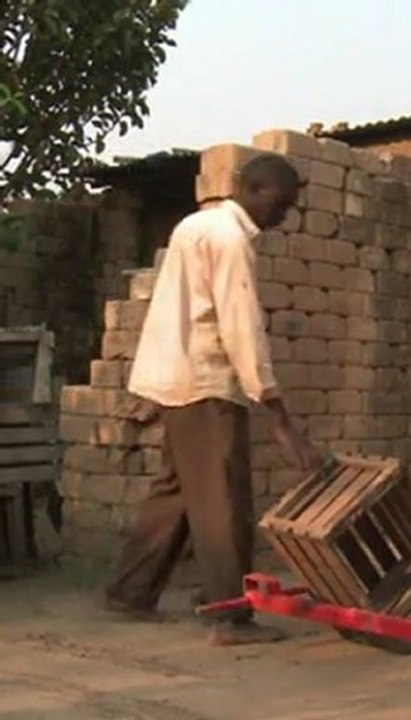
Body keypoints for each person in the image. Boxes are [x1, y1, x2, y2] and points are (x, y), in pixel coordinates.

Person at [104, 154, 323, 645]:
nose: (284, 217)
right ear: (255, 189)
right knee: (223, 500)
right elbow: (240, 326)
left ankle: (129, 592)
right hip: (204, 382)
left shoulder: (196, 225)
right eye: (282, 205)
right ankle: (230, 616)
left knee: (179, 492)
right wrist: (278, 413)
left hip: (175, 378)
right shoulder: (229, 240)